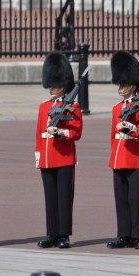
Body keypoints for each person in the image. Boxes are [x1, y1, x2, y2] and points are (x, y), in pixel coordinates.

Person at [35, 52, 83, 249]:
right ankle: (52, 233)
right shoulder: (43, 107)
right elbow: (38, 134)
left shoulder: (72, 106)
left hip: (64, 158)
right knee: (50, 199)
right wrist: (39, 157)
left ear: (63, 86)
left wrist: (60, 132)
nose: (51, 89)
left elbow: (76, 132)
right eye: (50, 85)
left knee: (64, 198)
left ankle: (64, 234)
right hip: (47, 158)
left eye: (55, 85)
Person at [107, 51, 139, 250]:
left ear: (133, 85)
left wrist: (131, 129)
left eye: (124, 84)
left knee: (135, 200)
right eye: (119, 84)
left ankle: (136, 236)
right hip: (118, 158)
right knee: (121, 200)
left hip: (135, 159)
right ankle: (123, 235)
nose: (120, 87)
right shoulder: (117, 108)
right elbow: (112, 136)